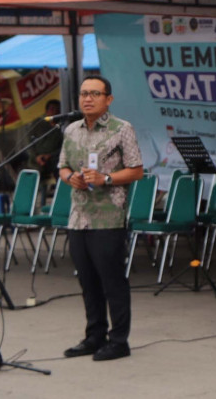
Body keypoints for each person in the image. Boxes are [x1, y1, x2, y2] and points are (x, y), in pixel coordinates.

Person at [58, 75, 143, 361]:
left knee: (112, 281)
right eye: (83, 93)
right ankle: (94, 336)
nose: (87, 99)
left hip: (108, 218)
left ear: (109, 99)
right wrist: (72, 178)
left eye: (95, 93)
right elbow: (63, 167)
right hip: (78, 217)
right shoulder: (71, 130)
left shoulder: (122, 129)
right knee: (87, 281)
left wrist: (105, 178)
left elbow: (136, 170)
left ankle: (119, 340)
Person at [26, 99, 63, 181]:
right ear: (47, 111)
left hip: (54, 159)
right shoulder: (38, 124)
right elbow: (29, 143)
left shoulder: (62, 126)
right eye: (52, 109)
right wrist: (36, 157)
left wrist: (49, 155)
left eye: (57, 109)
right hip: (36, 159)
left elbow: (63, 146)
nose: (55, 112)